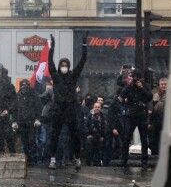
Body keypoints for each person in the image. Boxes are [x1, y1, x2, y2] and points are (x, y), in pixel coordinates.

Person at [45, 32, 88, 170]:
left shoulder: (72, 76)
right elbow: (50, 63)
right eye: (62, 64)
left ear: (68, 66)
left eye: (66, 64)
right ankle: (52, 160)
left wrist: (84, 45)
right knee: (54, 135)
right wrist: (52, 47)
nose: (64, 66)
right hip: (58, 108)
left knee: (75, 134)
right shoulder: (56, 77)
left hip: (70, 108)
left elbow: (82, 62)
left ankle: (77, 158)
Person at [121, 70, 153, 169]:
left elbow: (149, 96)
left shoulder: (145, 86)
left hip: (142, 115)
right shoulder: (130, 87)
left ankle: (144, 161)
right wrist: (129, 85)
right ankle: (124, 160)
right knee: (126, 138)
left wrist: (141, 87)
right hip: (132, 115)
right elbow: (122, 95)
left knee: (144, 139)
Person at [13, 78, 43, 163]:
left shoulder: (34, 95)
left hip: (31, 123)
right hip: (21, 123)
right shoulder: (18, 96)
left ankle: (32, 158)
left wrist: (38, 119)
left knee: (31, 140)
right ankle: (26, 158)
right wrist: (14, 121)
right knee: (24, 141)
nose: (24, 87)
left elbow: (39, 108)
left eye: (26, 85)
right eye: (22, 85)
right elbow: (15, 109)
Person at [84, 101, 108, 166]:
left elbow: (105, 128)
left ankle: (98, 162)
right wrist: (88, 134)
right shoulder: (90, 116)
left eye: (98, 107)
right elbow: (86, 126)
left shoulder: (103, 117)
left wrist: (103, 136)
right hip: (91, 135)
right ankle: (88, 163)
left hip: (100, 136)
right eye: (95, 107)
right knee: (89, 143)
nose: (97, 108)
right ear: (93, 108)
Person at [149, 77, 167, 155]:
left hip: (166, 119)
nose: (163, 86)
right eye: (162, 84)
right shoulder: (155, 95)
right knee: (154, 138)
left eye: (165, 84)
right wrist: (149, 122)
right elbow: (151, 109)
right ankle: (155, 154)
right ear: (159, 85)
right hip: (156, 119)